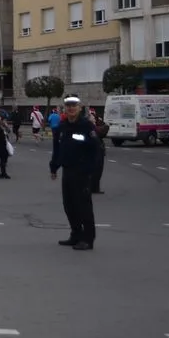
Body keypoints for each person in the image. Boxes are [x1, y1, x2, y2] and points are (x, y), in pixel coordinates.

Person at [49, 94, 101, 251]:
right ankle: (76, 234)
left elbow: (95, 149)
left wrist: (90, 171)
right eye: (68, 106)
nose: (71, 108)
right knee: (69, 205)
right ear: (65, 108)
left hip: (82, 171)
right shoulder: (62, 126)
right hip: (68, 170)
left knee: (83, 206)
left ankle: (88, 239)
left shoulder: (86, 126)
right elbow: (57, 149)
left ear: (80, 108)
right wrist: (54, 167)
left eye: (74, 105)